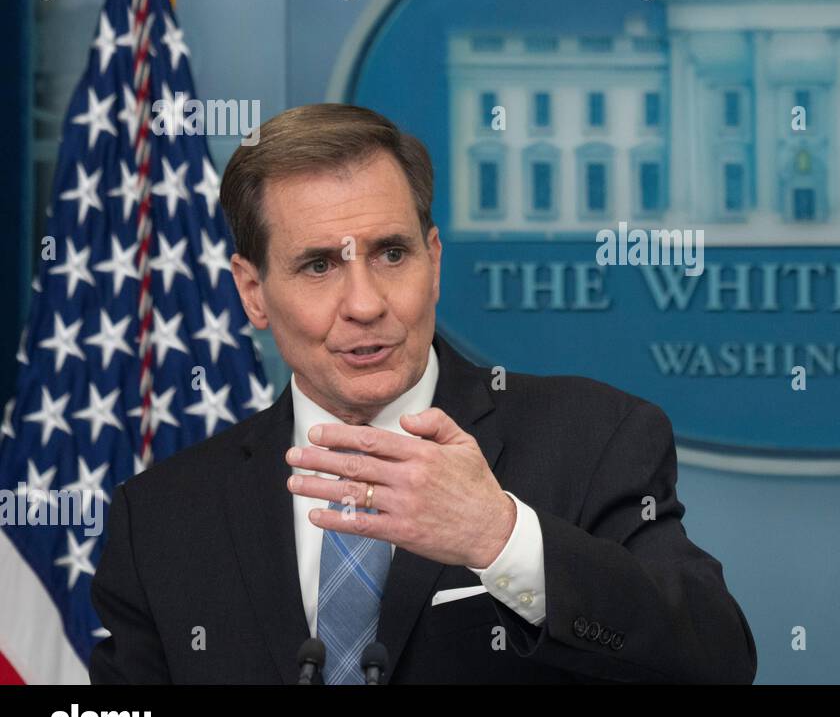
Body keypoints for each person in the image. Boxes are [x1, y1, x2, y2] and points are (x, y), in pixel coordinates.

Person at [89, 103, 757, 684]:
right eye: (319, 265)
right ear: (253, 292)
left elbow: (712, 661)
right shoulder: (161, 520)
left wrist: (498, 536)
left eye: (391, 254)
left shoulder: (594, 438)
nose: (365, 303)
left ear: (433, 261)